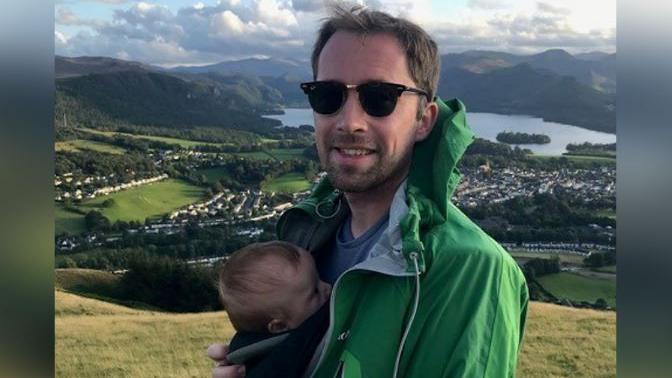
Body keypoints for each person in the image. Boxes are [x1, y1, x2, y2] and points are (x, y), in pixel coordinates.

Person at [209, 4, 528, 377]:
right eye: (328, 96)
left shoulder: (473, 272)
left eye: (379, 98)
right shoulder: (309, 239)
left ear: (423, 120)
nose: (349, 122)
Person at [215, 240, 332, 377]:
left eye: (319, 277)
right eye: (315, 292)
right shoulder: (280, 364)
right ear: (279, 326)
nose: (328, 287)